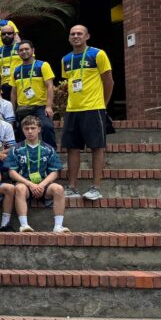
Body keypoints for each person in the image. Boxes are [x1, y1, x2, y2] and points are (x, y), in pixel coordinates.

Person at [61, 25, 114, 201]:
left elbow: (109, 82)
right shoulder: (65, 59)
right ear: (69, 38)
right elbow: (70, 83)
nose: (76, 36)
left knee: (96, 146)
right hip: (72, 109)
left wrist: (102, 104)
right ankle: (72, 187)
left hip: (93, 108)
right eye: (72, 34)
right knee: (72, 148)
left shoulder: (98, 54)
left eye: (79, 34)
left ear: (87, 36)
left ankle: (96, 187)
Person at [7, 115, 70, 233]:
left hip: (44, 185)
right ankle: (24, 225)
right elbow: (11, 172)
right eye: (26, 128)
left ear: (39, 129)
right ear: (22, 130)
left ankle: (58, 226)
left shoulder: (48, 149)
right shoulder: (16, 149)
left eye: (33, 128)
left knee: (59, 188)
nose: (30, 131)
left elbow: (55, 172)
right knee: (19, 188)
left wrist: (41, 185)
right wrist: (30, 184)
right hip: (25, 184)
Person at [10, 40, 56, 147]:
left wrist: (49, 106)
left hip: (40, 107)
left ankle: (51, 155)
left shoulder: (42, 65)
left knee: (47, 127)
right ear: (18, 52)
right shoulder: (16, 70)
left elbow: (50, 86)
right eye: (21, 50)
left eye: (26, 49)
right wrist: (12, 110)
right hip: (22, 108)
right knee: (20, 132)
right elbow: (13, 92)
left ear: (33, 50)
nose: (24, 52)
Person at [0, 23, 22, 98]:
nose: (6, 35)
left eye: (9, 33)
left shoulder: (22, 48)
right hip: (5, 85)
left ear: (14, 35)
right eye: (3, 34)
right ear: (1, 36)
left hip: (20, 82)